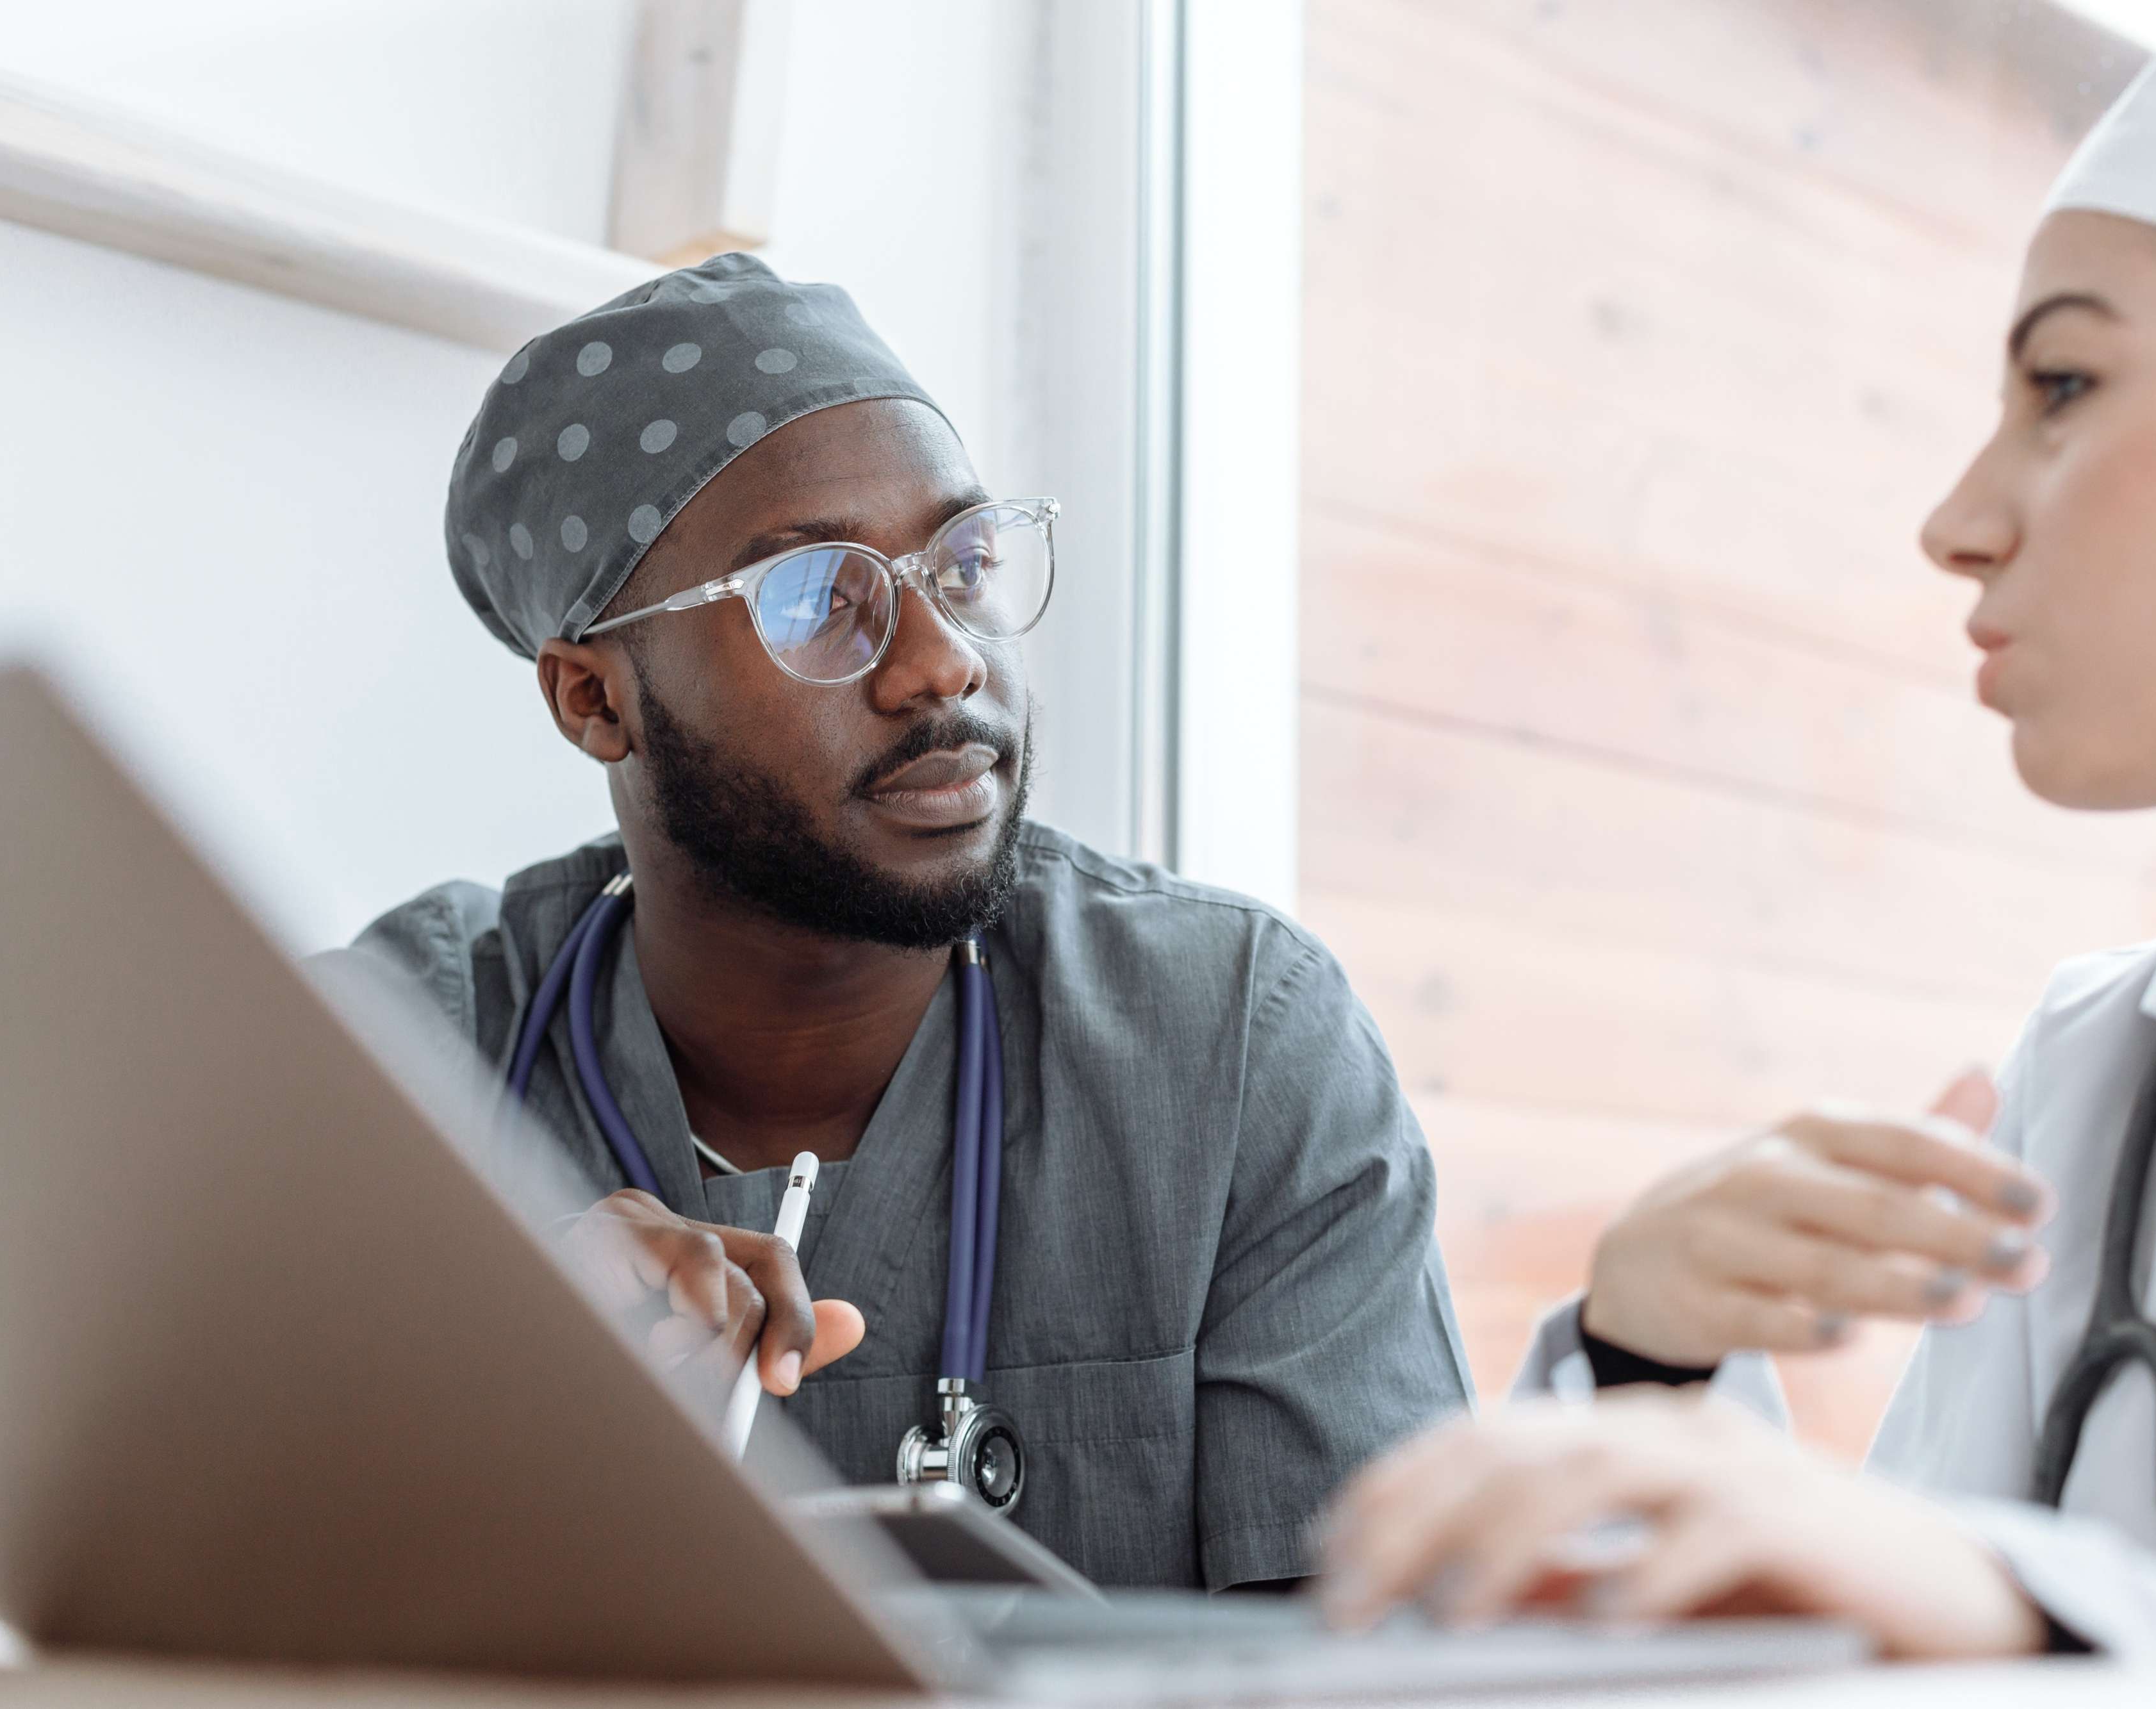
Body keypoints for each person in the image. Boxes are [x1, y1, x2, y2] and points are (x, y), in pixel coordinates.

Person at [1321, 0, 2156, 1664]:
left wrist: (2038, 1615)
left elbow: (1999, 1619)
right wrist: (1654, 1367)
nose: (1958, 520)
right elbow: (1899, 1640)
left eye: (2065, 382)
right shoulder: (2102, 1072)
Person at [327, 255, 1472, 1590]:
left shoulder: (1232, 1045)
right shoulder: (391, 1056)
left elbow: (1383, 1663)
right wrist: (476, 1420)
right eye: (817, 595)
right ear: (594, 700)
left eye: (964, 558)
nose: (943, 659)